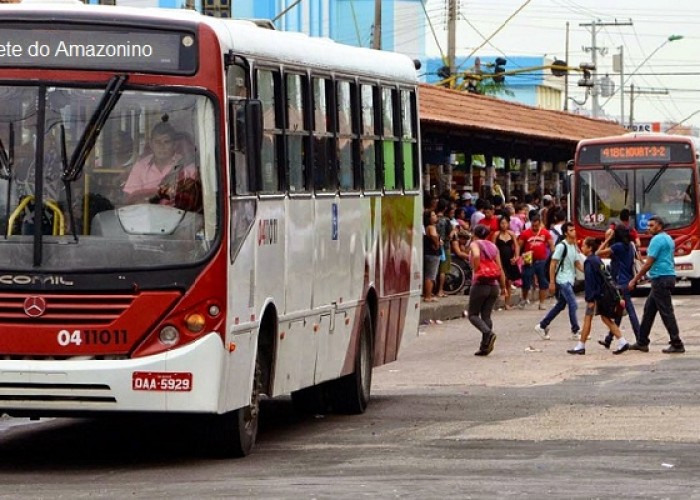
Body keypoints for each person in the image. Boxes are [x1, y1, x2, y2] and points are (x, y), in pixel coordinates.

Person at [628, 216, 685, 353]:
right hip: (666, 276)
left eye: (652, 225)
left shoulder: (657, 240)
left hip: (661, 279)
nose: (649, 228)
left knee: (666, 312)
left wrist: (635, 279)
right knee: (649, 310)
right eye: (648, 225)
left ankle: (677, 343)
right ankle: (642, 341)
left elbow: (649, 262)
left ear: (659, 226)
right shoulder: (668, 238)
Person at [567, 237, 630, 355]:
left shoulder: (589, 262)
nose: (582, 247)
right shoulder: (597, 259)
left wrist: (590, 298)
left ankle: (581, 346)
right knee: (605, 318)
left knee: (588, 319)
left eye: (584, 246)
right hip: (604, 294)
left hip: (597, 296)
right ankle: (622, 341)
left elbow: (590, 281)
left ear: (590, 248)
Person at [123, 122, 198, 207]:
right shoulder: (140, 166)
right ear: (151, 144)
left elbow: (191, 202)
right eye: (157, 142)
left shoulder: (187, 167)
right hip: (146, 216)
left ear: (174, 145)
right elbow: (131, 199)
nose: (161, 147)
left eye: (166, 142)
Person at [534, 221, 583, 340]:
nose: (574, 232)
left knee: (561, 305)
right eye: (571, 230)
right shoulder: (562, 246)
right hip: (562, 280)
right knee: (573, 303)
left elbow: (577, 263)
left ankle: (542, 325)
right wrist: (552, 282)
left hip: (569, 279)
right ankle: (575, 331)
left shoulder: (573, 246)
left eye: (574, 229)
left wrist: (589, 271)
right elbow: (553, 264)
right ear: (566, 233)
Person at [596, 225, 641, 348]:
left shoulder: (617, 247)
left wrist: (607, 239)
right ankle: (609, 339)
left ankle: (640, 338)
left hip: (621, 282)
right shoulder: (630, 246)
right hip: (628, 280)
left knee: (630, 311)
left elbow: (598, 253)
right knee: (619, 312)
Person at [468, 224, 506, 356]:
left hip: (480, 284)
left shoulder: (475, 244)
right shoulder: (493, 246)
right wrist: (503, 287)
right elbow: (499, 268)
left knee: (472, 314)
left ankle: (488, 334)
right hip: (493, 285)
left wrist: (477, 269)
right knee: (486, 315)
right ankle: (485, 346)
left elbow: (477, 256)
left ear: (475, 233)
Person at [517, 213, 554, 310]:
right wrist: (517, 256)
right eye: (533, 225)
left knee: (543, 282)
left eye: (536, 226)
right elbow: (519, 245)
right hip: (529, 261)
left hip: (542, 261)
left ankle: (542, 303)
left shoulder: (545, 233)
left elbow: (551, 244)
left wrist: (553, 256)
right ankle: (524, 299)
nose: (535, 227)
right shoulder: (525, 233)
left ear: (540, 223)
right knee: (526, 281)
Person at [492, 214, 520, 309]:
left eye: (505, 223)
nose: (503, 225)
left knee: (509, 281)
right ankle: (497, 300)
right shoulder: (496, 234)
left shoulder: (511, 234)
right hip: (499, 259)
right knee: (501, 280)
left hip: (510, 259)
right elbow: (492, 248)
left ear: (508, 224)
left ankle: (507, 303)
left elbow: (516, 246)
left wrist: (516, 257)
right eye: (502, 223)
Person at [422, 210, 441, 302]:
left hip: (428, 253)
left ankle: (427, 294)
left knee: (428, 275)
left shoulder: (427, 227)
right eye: (433, 215)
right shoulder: (431, 227)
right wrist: (437, 243)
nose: (435, 216)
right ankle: (428, 296)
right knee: (430, 276)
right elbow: (434, 236)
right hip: (432, 254)